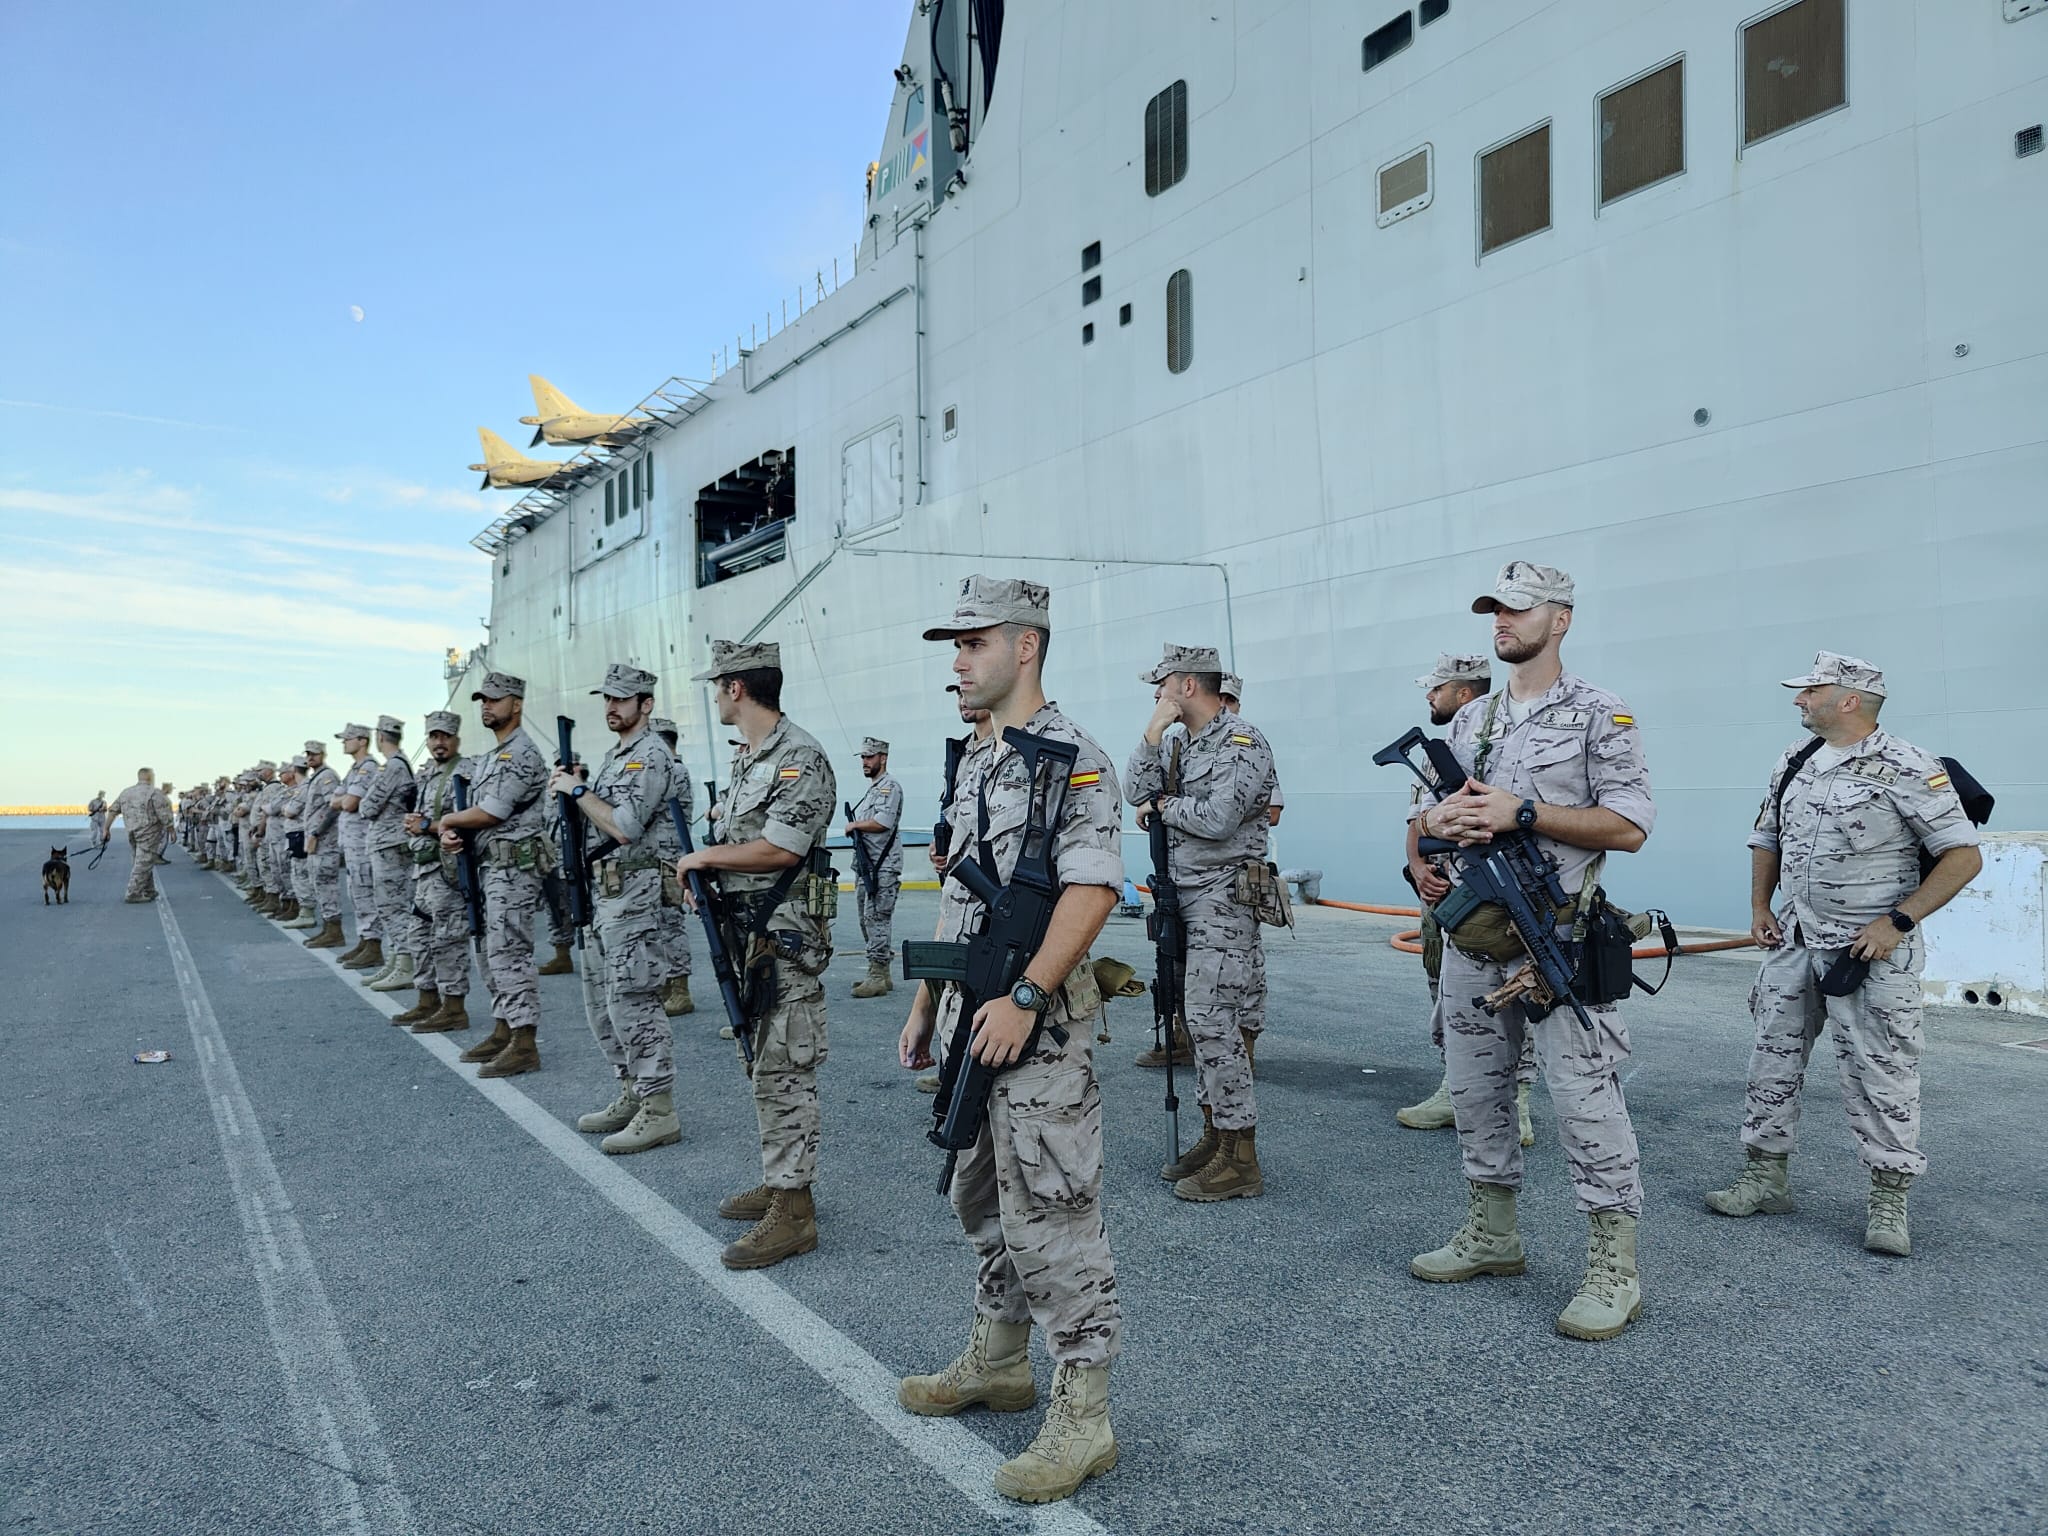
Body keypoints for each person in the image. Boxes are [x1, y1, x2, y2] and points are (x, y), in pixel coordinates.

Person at [895, 575, 1123, 1505]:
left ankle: (1086, 1413)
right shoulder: (981, 758)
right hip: (967, 1019)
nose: (958, 659)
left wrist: (1028, 993)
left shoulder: (1071, 757)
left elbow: (1095, 888)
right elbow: (960, 898)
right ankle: (998, 1359)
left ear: (1025, 646)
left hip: (1034, 1029)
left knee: (1053, 1214)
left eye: (974, 641)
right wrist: (923, 1008)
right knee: (979, 1196)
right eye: (954, 643)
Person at [1410, 560, 1655, 1343]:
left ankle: (1615, 1268)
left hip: (1558, 942)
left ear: (1563, 618)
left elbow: (1629, 826)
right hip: (1475, 937)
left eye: (1518, 609)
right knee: (1478, 1093)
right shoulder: (1470, 719)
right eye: (1494, 610)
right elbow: (1428, 811)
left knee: (1587, 1104)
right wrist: (1439, 827)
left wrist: (1526, 813)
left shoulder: (1599, 714)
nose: (1501, 622)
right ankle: (1493, 1235)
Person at [1706, 652, 1982, 1257]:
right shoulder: (1795, 760)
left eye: (1812, 691)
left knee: (1883, 1073)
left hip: (1871, 952)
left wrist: (1898, 921)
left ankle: (1888, 1200)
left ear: (1850, 699)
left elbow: (1963, 856)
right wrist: (1759, 908)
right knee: (1771, 1061)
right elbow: (1767, 836)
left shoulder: (1909, 765)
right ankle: (1765, 1175)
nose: (1800, 700)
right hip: (1795, 941)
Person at [676, 640, 837, 1269]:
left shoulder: (799, 757)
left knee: (784, 1065)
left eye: (718, 685)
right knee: (762, 1061)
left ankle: (794, 1211)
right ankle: (781, 1181)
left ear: (736, 688)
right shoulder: (750, 761)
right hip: (750, 936)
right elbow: (740, 846)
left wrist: (702, 859)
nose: (716, 695)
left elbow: (780, 850)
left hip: (786, 939)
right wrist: (708, 884)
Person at [1125, 643, 1277, 1201]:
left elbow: (1217, 819)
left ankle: (1241, 1155)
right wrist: (1148, 736)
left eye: (1162, 684)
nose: (1157, 693)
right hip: (1181, 896)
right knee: (1195, 1018)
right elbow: (1133, 793)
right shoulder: (1175, 744)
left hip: (1223, 898)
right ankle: (1217, 1136)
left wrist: (1163, 807)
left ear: (1188, 685)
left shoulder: (1243, 742)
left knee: (1214, 1020)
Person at [1396, 654, 1538, 1144]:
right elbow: (1419, 821)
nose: (1429, 698)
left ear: (1462, 693)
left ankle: (1516, 1099)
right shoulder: (1439, 751)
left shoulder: (1506, 745)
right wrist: (1417, 868)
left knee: (1514, 993)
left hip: (1498, 895)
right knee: (1444, 992)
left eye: (1436, 690)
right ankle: (1454, 1088)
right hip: (1443, 896)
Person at [554, 664, 685, 1155]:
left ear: (645, 704)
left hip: (636, 896)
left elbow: (626, 826)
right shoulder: (617, 755)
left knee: (634, 1000)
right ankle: (632, 1090)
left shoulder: (650, 755)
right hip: (606, 894)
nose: (612, 707)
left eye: (622, 699)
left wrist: (578, 790)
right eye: (607, 699)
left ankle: (659, 1108)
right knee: (601, 1002)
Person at [436, 672, 552, 1077]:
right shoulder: (491, 756)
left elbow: (492, 812)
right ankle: (504, 1029)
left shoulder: (520, 753)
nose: (487, 706)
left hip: (514, 868)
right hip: (491, 866)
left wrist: (447, 820)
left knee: (509, 952)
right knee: (489, 951)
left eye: (495, 700)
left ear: (516, 704)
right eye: (483, 700)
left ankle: (524, 1042)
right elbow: (477, 819)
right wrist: (455, 834)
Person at [391, 712, 478, 1036]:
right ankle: (428, 999)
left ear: (456, 739)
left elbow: (467, 817)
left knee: (448, 939)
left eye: (445, 737)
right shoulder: (428, 773)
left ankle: (454, 1007)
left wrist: (426, 826)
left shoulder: (464, 771)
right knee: (420, 936)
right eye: (433, 737)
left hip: (448, 869)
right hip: (425, 869)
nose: (439, 742)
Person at [358, 719, 419, 994]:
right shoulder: (397, 763)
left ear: (380, 736)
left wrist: (365, 801)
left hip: (390, 843)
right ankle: (396, 959)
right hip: (389, 842)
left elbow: (367, 807)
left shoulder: (393, 766)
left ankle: (406, 964)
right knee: (389, 905)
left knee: (393, 905)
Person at [845, 736, 906, 998]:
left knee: (877, 919)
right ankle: (882, 972)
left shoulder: (888, 787)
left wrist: (855, 825)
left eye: (870, 757)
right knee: (866, 920)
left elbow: (882, 822)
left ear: (883, 757)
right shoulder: (874, 789)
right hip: (868, 867)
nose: (865, 762)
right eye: (862, 757)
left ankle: (877, 974)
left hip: (883, 867)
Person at [650, 717, 695, 1016]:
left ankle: (680, 990)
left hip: (668, 861)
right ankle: (667, 985)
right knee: (659, 925)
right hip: (659, 860)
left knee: (670, 925)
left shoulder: (675, 771)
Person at [332, 724, 383, 967]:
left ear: (363, 741)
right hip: (351, 844)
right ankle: (364, 940)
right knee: (356, 892)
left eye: (348, 739)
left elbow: (349, 803)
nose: (344, 743)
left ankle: (374, 945)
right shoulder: (354, 769)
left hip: (362, 843)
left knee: (365, 892)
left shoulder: (368, 768)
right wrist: (342, 799)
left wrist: (343, 800)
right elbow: (334, 801)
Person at [107, 768, 173, 902]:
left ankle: (149, 889)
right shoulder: (154, 793)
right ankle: (133, 893)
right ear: (149, 777)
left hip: (132, 831)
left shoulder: (126, 793)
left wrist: (106, 829)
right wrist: (172, 830)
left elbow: (113, 811)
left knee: (143, 860)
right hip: (149, 832)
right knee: (143, 862)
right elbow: (164, 814)